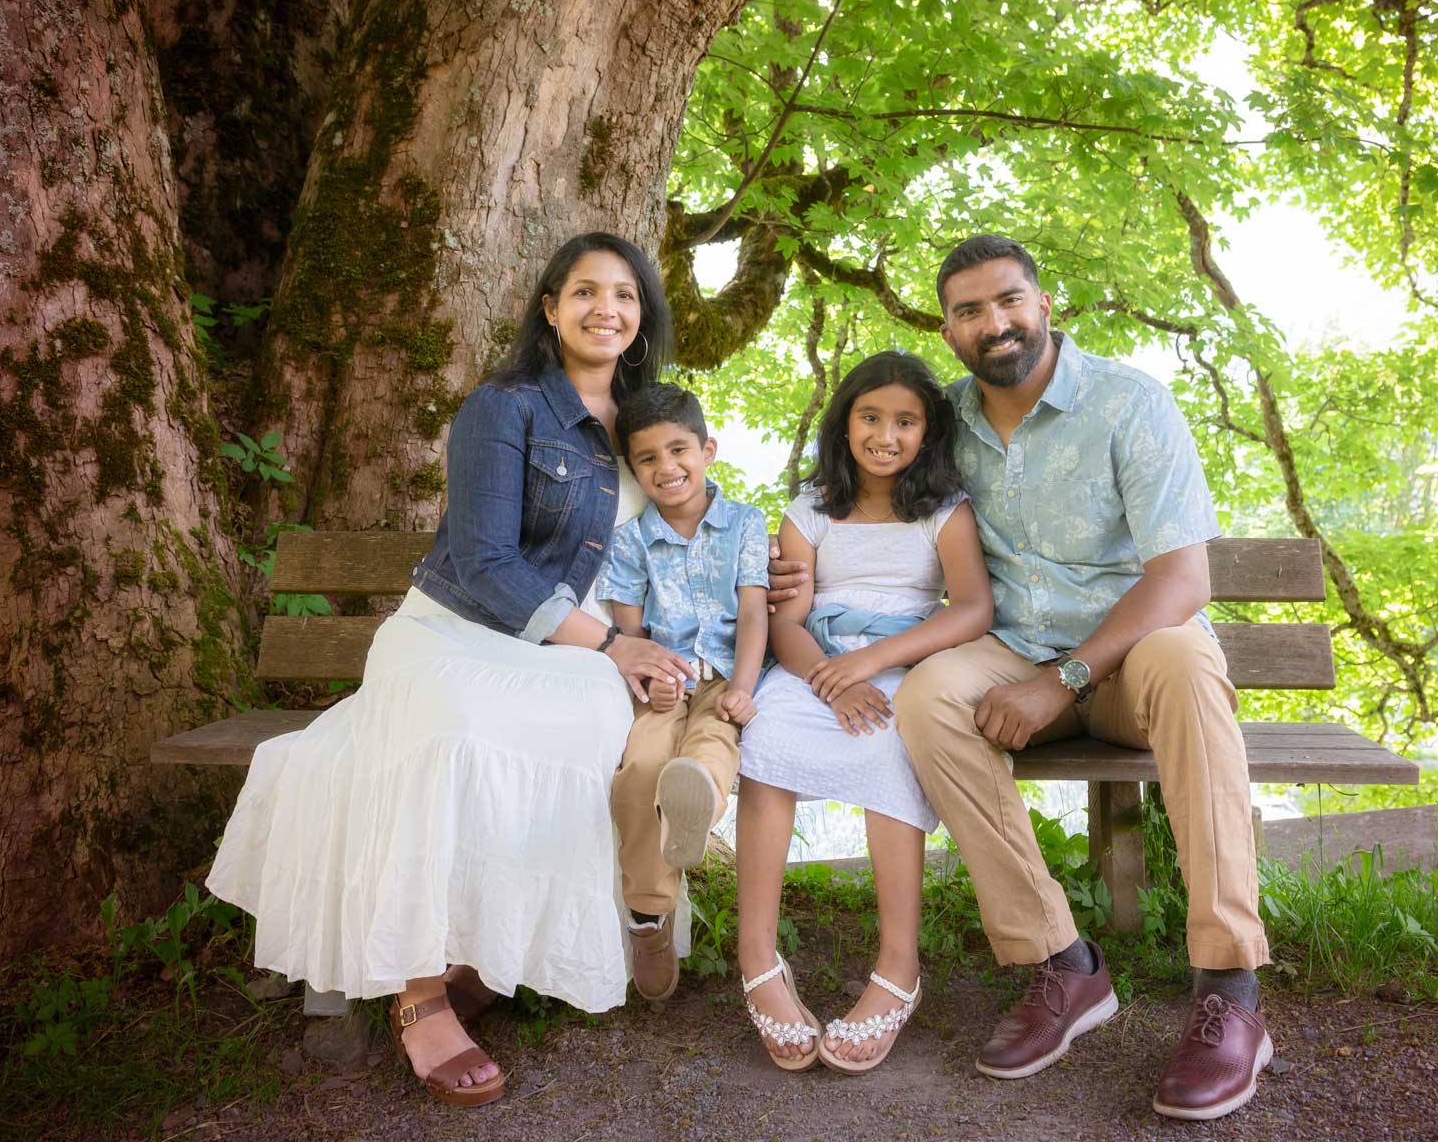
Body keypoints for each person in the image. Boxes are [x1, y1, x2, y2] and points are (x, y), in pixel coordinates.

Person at [770, 237, 1272, 1120]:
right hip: (1009, 654)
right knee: (928, 698)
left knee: (1192, 659)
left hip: (1125, 659)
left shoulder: (1129, 403)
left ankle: (1229, 987)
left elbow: (1184, 581)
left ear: (1044, 304)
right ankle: (1063, 966)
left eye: (1007, 301)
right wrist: (780, 572)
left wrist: (1067, 676)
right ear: (948, 329)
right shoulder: (945, 420)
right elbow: (864, 497)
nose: (992, 323)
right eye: (968, 310)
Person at [208, 232, 694, 1108]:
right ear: (550, 308)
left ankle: (488, 947)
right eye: (584, 292)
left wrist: (684, 629)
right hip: (452, 633)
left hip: (566, 648)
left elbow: (673, 533)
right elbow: (482, 563)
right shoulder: (503, 407)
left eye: (624, 295)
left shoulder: (650, 421)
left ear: (643, 315)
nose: (605, 310)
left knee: (595, 721)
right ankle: (421, 986)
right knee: (458, 737)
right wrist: (611, 645)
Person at [738, 350, 992, 1075]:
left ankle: (898, 966)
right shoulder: (810, 508)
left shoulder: (943, 510)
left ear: (928, 432)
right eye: (871, 417)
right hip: (813, 667)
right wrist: (829, 677)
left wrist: (872, 666)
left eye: (906, 421)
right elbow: (788, 622)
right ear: (844, 425)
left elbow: (973, 608)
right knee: (764, 739)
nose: (886, 434)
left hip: (903, 662)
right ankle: (757, 957)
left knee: (891, 749)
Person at [595, 383, 769, 1004]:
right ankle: (649, 919)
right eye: (648, 459)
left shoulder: (746, 523)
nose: (666, 468)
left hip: (725, 674)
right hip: (663, 678)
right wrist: (650, 681)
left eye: (679, 450)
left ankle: (696, 802)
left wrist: (744, 686)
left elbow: (753, 616)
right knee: (640, 764)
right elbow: (631, 629)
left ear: (708, 449)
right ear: (634, 470)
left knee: (712, 740)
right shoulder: (632, 539)